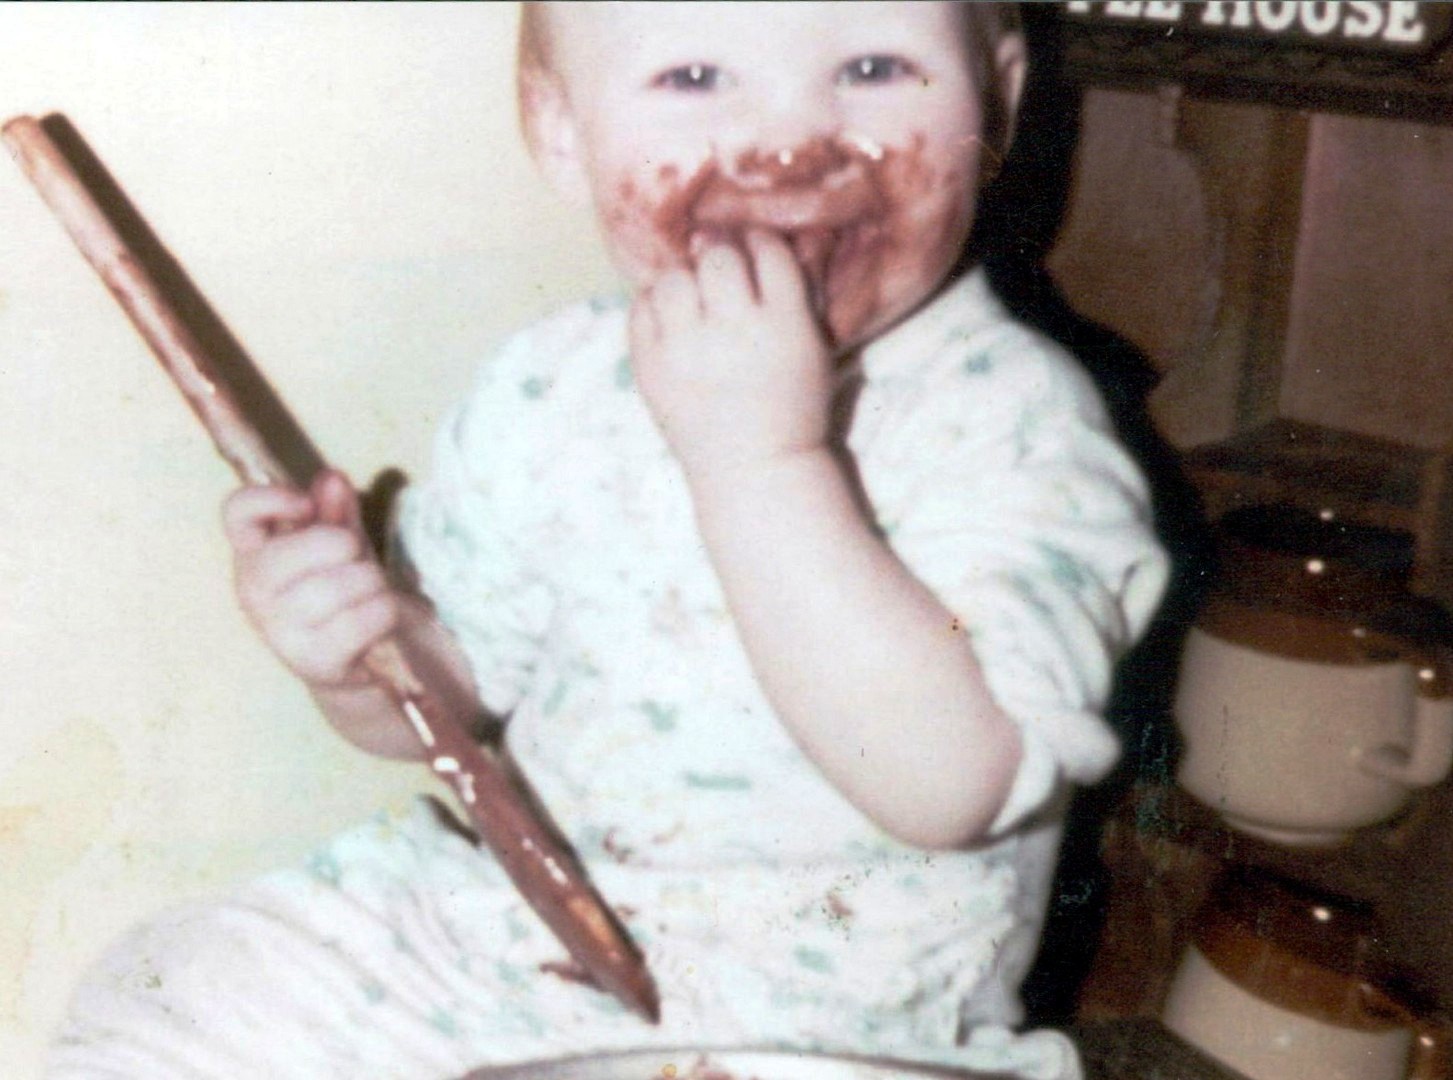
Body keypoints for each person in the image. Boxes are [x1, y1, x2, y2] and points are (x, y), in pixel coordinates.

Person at [50, 4, 1167, 1078]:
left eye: (873, 68)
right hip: (525, 949)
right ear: (560, 130)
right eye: (694, 77)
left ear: (996, 103)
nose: (788, 143)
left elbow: (948, 787)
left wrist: (761, 463)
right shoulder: (551, 383)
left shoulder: (1017, 428)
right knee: (183, 991)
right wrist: (356, 650)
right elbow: (452, 694)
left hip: (844, 1019)